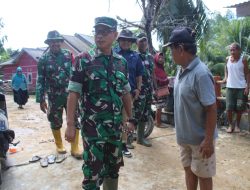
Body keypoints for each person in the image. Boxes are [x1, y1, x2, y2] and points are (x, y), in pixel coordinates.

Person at [65, 16, 135, 190]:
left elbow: (126, 93)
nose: (100, 36)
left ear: (115, 35)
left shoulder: (121, 62)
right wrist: (70, 124)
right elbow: (73, 93)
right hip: (92, 130)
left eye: (105, 32)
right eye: (97, 31)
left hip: (115, 129)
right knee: (92, 173)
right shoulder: (84, 60)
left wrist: (131, 118)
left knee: (113, 169)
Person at [163, 27, 217, 190]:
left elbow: (211, 108)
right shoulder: (181, 71)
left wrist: (208, 140)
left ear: (180, 49)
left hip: (201, 141)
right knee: (189, 171)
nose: (170, 54)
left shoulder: (200, 74)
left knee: (204, 176)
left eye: (171, 49)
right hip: (184, 138)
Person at [36, 30, 81, 159]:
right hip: (54, 96)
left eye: (57, 41)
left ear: (61, 42)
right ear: (49, 43)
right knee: (55, 120)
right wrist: (41, 99)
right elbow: (40, 79)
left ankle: (75, 147)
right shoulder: (43, 59)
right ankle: (59, 145)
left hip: (70, 95)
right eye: (52, 41)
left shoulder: (69, 55)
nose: (55, 43)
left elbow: (76, 74)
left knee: (74, 119)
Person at [114, 29, 144, 156]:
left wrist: (138, 88)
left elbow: (139, 74)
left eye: (128, 40)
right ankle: (113, 143)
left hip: (129, 93)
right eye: (123, 40)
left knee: (126, 118)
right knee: (113, 118)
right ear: (119, 40)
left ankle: (124, 144)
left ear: (131, 42)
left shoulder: (135, 56)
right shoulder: (113, 53)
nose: (126, 42)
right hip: (113, 92)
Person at [217, 42, 249, 133]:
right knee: (229, 108)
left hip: (241, 88)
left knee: (240, 108)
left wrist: (247, 87)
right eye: (231, 50)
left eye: (234, 49)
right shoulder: (227, 59)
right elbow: (226, 68)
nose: (232, 51)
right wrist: (225, 78)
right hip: (230, 87)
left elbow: (247, 73)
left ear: (239, 50)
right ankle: (231, 125)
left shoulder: (243, 60)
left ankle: (238, 126)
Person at [135, 32, 153, 147]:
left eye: (145, 40)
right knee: (134, 114)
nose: (143, 43)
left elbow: (153, 73)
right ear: (137, 42)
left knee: (145, 114)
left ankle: (140, 138)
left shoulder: (150, 57)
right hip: (138, 90)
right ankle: (127, 140)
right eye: (141, 40)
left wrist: (155, 88)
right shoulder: (134, 56)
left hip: (148, 90)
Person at [153, 52, 169, 127]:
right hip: (158, 90)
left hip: (163, 90)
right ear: (156, 58)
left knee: (160, 107)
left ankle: (157, 122)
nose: (161, 59)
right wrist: (156, 90)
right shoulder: (155, 68)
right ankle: (158, 123)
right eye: (159, 57)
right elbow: (154, 79)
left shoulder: (161, 68)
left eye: (162, 58)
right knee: (159, 107)